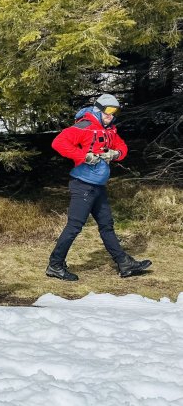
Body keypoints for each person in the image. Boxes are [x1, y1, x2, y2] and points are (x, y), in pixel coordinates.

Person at [46, 94, 151, 280]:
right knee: (74, 227)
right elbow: (58, 143)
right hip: (83, 185)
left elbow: (123, 147)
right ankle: (55, 265)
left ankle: (124, 264)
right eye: (108, 111)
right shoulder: (85, 126)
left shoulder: (110, 129)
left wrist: (115, 153)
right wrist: (83, 156)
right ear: (98, 109)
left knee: (106, 226)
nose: (111, 115)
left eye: (115, 111)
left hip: (98, 186)